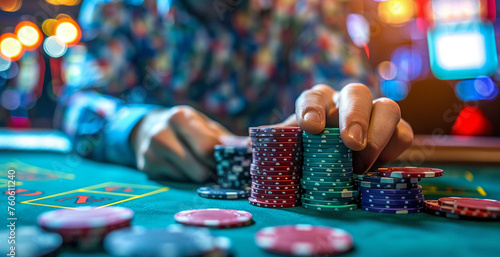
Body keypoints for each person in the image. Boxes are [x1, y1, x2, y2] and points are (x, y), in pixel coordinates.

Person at [55, 0, 413, 183]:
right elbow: (78, 102)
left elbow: (339, 90)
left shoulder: (306, 7)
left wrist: (350, 114)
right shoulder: (118, 6)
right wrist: (135, 129)